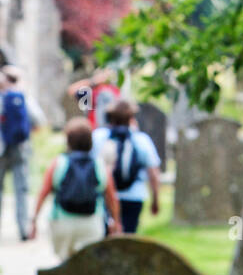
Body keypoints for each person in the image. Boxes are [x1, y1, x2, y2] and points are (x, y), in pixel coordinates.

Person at [30, 116, 122, 260]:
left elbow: (44, 192)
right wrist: (116, 222)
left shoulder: (58, 163)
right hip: (91, 223)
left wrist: (34, 220)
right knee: (87, 266)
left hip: (62, 222)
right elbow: (111, 197)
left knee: (65, 264)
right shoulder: (99, 165)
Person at [0, 65, 46, 240]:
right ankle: (23, 229)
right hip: (21, 149)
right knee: (21, 190)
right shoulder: (26, 100)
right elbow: (39, 123)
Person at [92, 100, 161, 234]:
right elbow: (153, 173)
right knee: (127, 237)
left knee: (104, 238)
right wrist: (155, 199)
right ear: (131, 118)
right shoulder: (141, 140)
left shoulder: (98, 137)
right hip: (134, 196)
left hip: (104, 195)